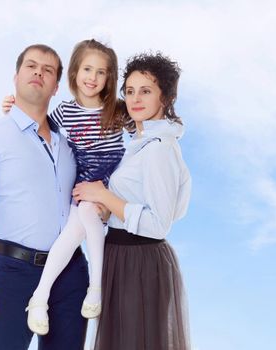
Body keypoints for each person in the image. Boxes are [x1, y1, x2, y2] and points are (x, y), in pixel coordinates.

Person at [0, 44, 89, 350]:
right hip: (14, 272)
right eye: (31, 66)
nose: (38, 73)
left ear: (56, 86)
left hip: (70, 273)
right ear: (16, 76)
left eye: (48, 70)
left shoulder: (70, 143)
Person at [2, 39, 130, 335]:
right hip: (81, 185)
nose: (92, 78)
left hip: (108, 185)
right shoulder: (64, 113)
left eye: (101, 72)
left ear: (109, 78)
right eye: (87, 69)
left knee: (85, 217)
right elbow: (34, 125)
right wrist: (12, 107)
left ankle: (91, 287)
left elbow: (145, 124)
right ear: (74, 72)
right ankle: (41, 297)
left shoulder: (117, 110)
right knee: (71, 234)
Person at [72, 52, 192, 350]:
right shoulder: (141, 143)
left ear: (165, 97)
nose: (135, 98)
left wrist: (103, 195)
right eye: (129, 91)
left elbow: (158, 224)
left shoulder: (158, 149)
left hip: (138, 262)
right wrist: (104, 208)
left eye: (146, 91)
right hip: (122, 257)